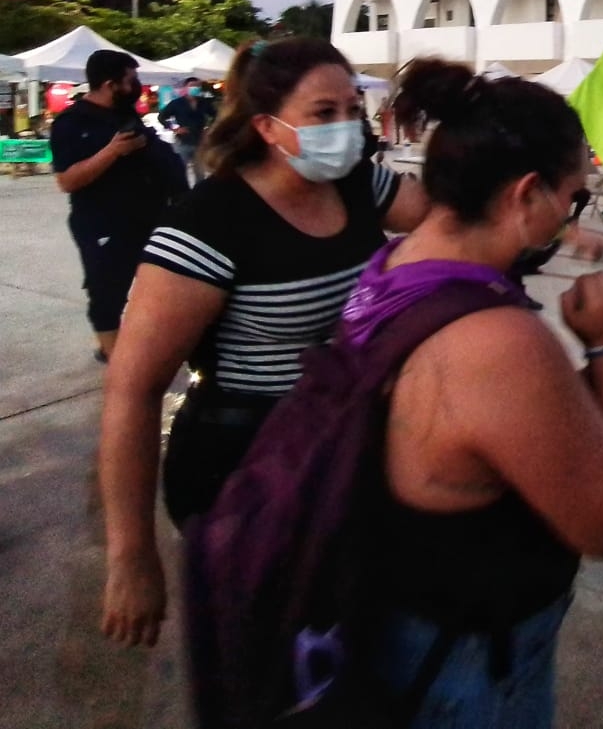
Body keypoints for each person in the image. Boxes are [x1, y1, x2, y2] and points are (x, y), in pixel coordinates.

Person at [97, 37, 429, 650]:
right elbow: (132, 390)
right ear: (267, 127)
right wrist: (131, 555)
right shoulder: (208, 224)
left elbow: (444, 221)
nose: (346, 127)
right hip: (245, 471)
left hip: (338, 452)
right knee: (265, 659)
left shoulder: (357, 183)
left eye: (352, 109)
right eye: (323, 113)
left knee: (343, 648)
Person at [341, 59, 603, 723]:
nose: (571, 214)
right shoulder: (495, 340)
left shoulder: (398, 262)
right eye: (573, 196)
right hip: (467, 658)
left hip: (398, 611)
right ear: (526, 193)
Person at [50, 50, 187, 364]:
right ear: (111, 84)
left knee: (161, 288)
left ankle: (141, 344)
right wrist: (112, 152)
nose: (137, 85)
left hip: (152, 219)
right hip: (104, 224)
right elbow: (67, 180)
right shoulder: (71, 123)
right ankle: (115, 359)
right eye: (132, 79)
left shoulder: (126, 115)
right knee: (107, 293)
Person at [157, 76, 216, 183]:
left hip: (199, 141)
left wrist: (209, 128)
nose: (195, 88)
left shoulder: (204, 102)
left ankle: (198, 195)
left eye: (197, 86)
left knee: (200, 172)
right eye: (192, 86)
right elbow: (161, 117)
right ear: (185, 87)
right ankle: (182, 196)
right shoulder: (177, 103)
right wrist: (175, 128)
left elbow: (216, 115)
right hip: (182, 141)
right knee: (180, 171)